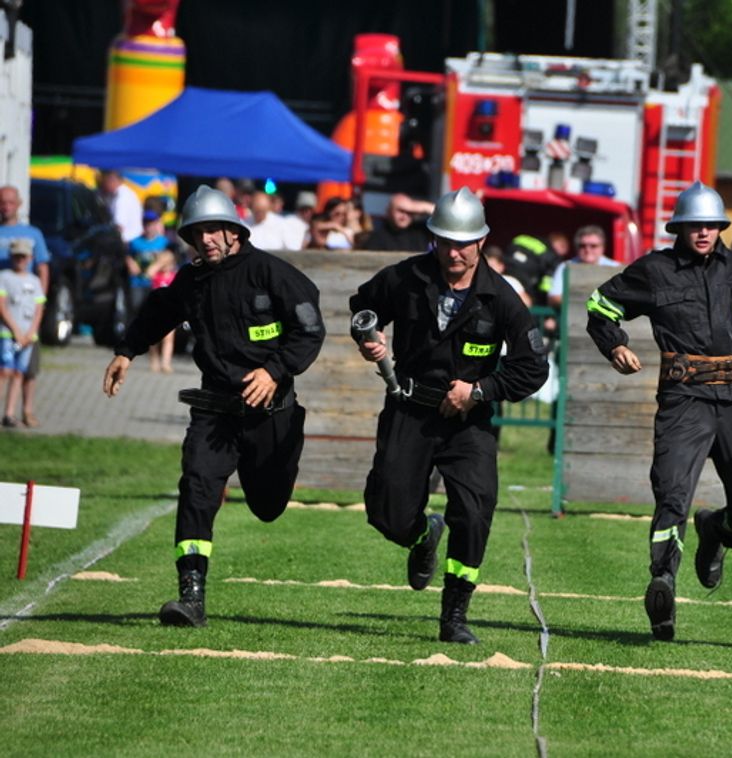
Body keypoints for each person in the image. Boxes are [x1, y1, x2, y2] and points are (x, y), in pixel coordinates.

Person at [585, 181, 732, 641]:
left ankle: (715, 531)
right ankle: (663, 584)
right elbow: (600, 306)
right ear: (679, 227)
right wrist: (614, 345)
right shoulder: (654, 270)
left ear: (721, 227)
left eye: (711, 225)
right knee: (672, 495)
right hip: (683, 401)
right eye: (694, 225)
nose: (703, 232)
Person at [102, 185, 325, 628]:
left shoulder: (272, 273)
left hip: (270, 410)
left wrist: (274, 371)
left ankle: (278, 466)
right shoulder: (191, 280)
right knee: (197, 489)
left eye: (213, 231)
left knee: (267, 505)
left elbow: (310, 330)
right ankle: (191, 596)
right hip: (214, 411)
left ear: (234, 231)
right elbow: (157, 312)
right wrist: (126, 351)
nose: (205, 240)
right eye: (196, 233)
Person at [349, 187, 547, 644]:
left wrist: (480, 390)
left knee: (475, 513)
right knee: (389, 516)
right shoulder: (405, 277)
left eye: (464, 242)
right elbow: (363, 304)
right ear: (433, 239)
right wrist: (369, 336)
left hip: (467, 421)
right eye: (445, 241)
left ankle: (455, 616)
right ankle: (422, 534)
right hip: (409, 409)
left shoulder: (501, 297)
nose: (454, 252)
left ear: (481, 241)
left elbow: (533, 366)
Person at [0, 240, 45, 428]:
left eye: (24, 256)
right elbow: (2, 306)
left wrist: (31, 331)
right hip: (8, 333)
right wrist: (16, 331)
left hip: (28, 336)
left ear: (30, 258)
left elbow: (39, 307)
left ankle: (9, 413)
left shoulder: (34, 281)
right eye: (17, 256)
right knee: (5, 371)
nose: (20, 260)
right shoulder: (5, 277)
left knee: (19, 373)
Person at [547, 225, 619, 308]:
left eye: (593, 246)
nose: (588, 250)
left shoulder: (615, 268)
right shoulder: (565, 267)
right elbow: (553, 297)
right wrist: (584, 303)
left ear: (602, 247)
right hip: (573, 317)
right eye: (582, 246)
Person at [0, 185, 51, 293]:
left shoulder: (33, 234)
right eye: (3, 203)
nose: (6, 207)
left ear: (19, 204)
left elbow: (42, 268)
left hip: (24, 296)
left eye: (11, 203)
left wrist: (40, 300)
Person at [360, 193, 434, 251]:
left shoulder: (420, 232)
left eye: (409, 212)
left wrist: (424, 207)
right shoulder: (377, 238)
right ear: (389, 211)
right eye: (401, 211)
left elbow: (443, 218)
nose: (404, 216)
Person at [97, 169, 143, 244]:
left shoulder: (122, 197)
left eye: (104, 180)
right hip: (127, 240)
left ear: (112, 180)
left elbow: (119, 226)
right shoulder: (117, 194)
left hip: (128, 242)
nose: (102, 184)